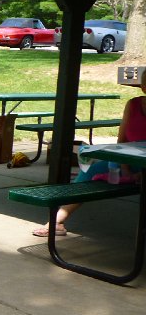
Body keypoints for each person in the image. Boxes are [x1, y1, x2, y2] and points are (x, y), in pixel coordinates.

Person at [33, 83, 146, 237]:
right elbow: (122, 139)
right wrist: (125, 168)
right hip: (129, 159)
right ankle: (57, 221)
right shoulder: (133, 104)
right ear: (143, 87)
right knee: (91, 171)